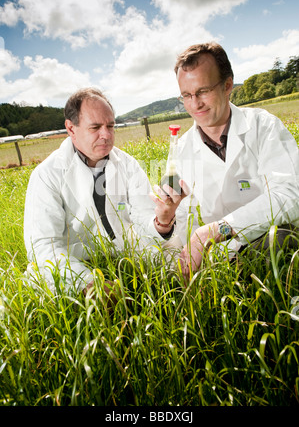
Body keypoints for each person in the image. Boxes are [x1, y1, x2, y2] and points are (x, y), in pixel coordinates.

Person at [23, 87, 184, 295]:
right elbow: (44, 246)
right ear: (71, 128)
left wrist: (162, 221)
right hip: (74, 263)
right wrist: (88, 284)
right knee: (37, 285)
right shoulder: (47, 174)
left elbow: (144, 219)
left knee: (179, 256)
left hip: (125, 255)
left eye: (110, 126)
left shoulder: (127, 164)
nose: (106, 135)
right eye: (95, 127)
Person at [172, 42, 299, 280]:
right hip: (220, 251)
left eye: (203, 91)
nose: (195, 104)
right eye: (187, 95)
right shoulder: (183, 149)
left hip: (267, 237)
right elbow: (185, 219)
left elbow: (291, 195)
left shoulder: (264, 126)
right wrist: (168, 221)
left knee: (280, 238)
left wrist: (217, 229)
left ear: (227, 85)